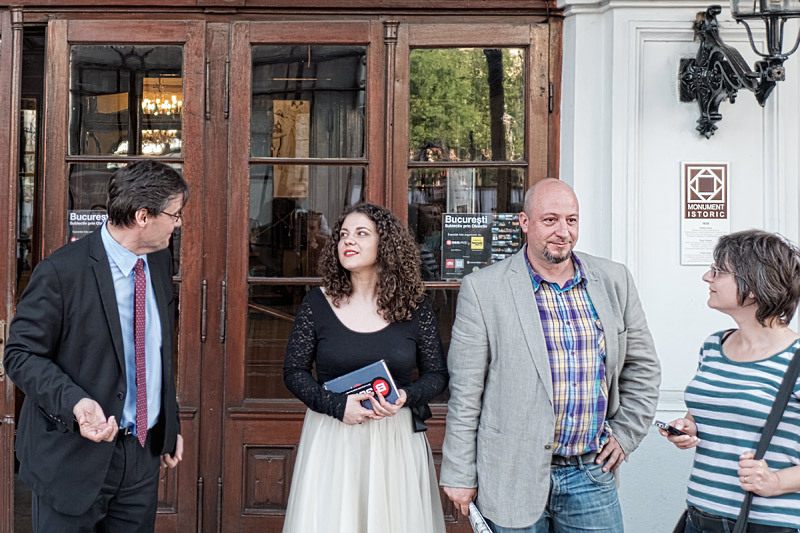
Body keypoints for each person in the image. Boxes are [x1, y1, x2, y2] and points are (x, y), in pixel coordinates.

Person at [440, 178, 661, 532]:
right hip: (511, 475)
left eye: (571, 220)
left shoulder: (614, 280)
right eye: (550, 220)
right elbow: (466, 392)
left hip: (591, 474)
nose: (563, 231)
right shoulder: (484, 289)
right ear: (525, 223)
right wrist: (459, 472)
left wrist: (626, 434)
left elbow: (643, 368)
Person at [5, 160, 188, 531]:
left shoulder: (158, 261)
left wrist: (169, 423)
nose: (179, 223)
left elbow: (156, 352)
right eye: (175, 214)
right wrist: (75, 402)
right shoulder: (61, 272)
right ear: (143, 216)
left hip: (141, 457)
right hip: (71, 459)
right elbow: (20, 355)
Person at [282, 202, 449, 533]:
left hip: (394, 440)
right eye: (344, 234)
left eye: (361, 233)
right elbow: (294, 372)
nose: (348, 241)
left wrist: (406, 396)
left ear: (385, 244)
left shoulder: (414, 307)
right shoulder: (317, 303)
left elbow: (437, 376)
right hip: (333, 435)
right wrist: (336, 405)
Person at [660, 230, 800, 533]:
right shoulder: (714, 346)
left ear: (754, 286)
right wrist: (688, 428)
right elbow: (708, 416)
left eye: (718, 271)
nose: (707, 278)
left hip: (766, 524)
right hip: (699, 518)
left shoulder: (796, 359)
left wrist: (776, 481)